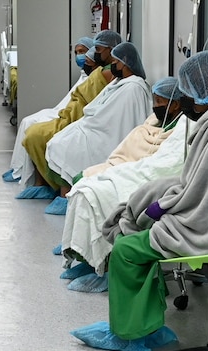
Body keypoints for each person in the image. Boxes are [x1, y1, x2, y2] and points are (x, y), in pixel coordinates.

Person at [71, 51, 208, 351]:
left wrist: (158, 208)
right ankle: (146, 324)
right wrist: (158, 196)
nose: (185, 100)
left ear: (204, 90)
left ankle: (131, 334)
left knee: (127, 250)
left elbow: (197, 196)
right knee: (142, 214)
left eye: (188, 93)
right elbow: (205, 187)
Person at [58, 77, 187, 294]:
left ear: (175, 103)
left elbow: (166, 165)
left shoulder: (188, 125)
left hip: (152, 177)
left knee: (91, 193)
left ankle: (106, 268)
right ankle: (87, 258)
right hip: (138, 167)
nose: (154, 105)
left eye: (159, 101)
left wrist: (120, 172)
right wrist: (117, 169)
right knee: (85, 186)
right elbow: (140, 150)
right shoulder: (156, 121)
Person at [42, 41, 152, 215]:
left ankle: (67, 198)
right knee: (58, 141)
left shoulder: (134, 88)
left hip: (108, 133)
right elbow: (96, 107)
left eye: (115, 63)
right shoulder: (120, 82)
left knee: (64, 147)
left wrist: (91, 123)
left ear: (125, 63)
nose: (112, 66)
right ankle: (65, 195)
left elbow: (119, 119)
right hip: (95, 124)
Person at [18, 29, 121, 199]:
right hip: (71, 111)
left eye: (98, 49)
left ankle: (52, 185)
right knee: (32, 130)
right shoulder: (103, 68)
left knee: (36, 135)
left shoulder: (110, 72)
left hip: (79, 115)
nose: (94, 54)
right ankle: (42, 183)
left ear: (111, 49)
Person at [2, 37, 96, 183]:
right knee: (26, 121)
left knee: (32, 126)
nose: (79, 56)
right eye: (77, 52)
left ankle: (23, 172)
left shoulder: (95, 76)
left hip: (66, 114)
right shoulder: (85, 74)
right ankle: (18, 168)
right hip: (61, 110)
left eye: (82, 52)